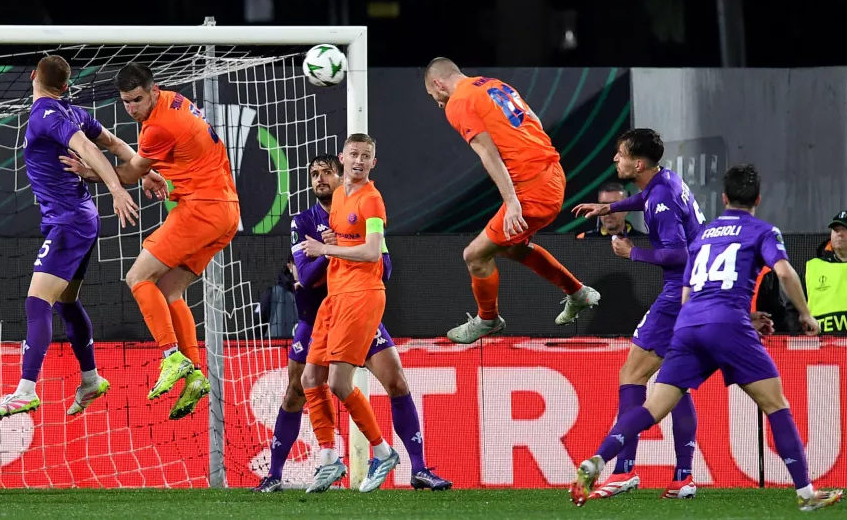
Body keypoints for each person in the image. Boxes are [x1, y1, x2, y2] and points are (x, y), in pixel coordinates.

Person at [570, 164, 843, 512]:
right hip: (729, 325)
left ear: (724, 198)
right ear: (757, 198)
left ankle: (598, 459)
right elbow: (785, 271)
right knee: (775, 405)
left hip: (687, 325)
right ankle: (806, 494)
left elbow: (689, 292)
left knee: (653, 407)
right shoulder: (763, 231)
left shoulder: (704, 234)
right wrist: (805, 314)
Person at [253, 153, 451, 493]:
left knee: (396, 382)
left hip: (356, 309)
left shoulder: (361, 213)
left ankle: (418, 468)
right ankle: (277, 473)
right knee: (297, 390)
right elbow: (306, 274)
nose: (319, 180)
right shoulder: (303, 221)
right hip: (316, 316)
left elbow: (384, 266)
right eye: (313, 174)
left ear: (340, 173)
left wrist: (336, 247)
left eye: (326, 173)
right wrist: (330, 252)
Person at [0, 55, 163, 419]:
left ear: (34, 76)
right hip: (78, 218)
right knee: (66, 302)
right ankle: (91, 379)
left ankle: (25, 390)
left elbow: (89, 148)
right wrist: (144, 173)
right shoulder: (74, 111)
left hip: (68, 221)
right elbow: (115, 143)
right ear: (66, 86)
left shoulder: (45, 116)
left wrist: (117, 188)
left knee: (38, 303)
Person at [62, 62, 240, 420]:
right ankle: (193, 377)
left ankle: (171, 356)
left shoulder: (157, 125)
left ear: (154, 90)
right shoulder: (174, 101)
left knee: (138, 277)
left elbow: (128, 172)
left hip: (201, 208)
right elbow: (164, 157)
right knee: (169, 292)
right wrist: (154, 172)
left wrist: (89, 172)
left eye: (137, 100)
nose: (131, 108)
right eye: (125, 102)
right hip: (227, 212)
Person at [423, 58, 600, 344]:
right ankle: (578, 293)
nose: (439, 104)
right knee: (511, 248)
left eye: (435, 98)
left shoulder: (458, 102)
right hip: (551, 174)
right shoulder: (492, 85)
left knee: (475, 256)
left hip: (532, 190)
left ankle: (488, 319)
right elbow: (534, 121)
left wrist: (513, 201)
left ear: (438, 84)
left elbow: (487, 152)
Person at [571, 129, 702, 498]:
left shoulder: (661, 200)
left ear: (638, 163)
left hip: (679, 292)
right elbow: (644, 196)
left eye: (621, 154)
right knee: (673, 381)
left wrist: (634, 254)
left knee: (631, 375)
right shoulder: (666, 179)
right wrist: (609, 208)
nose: (616, 159)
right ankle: (683, 477)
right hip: (697, 291)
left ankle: (625, 469)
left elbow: (679, 254)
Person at [296, 134, 400, 494]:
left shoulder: (372, 201)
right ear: (343, 158)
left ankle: (383, 452)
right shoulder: (339, 195)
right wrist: (334, 242)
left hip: (361, 295)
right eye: (353, 154)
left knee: (339, 384)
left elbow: (372, 252)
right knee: (310, 379)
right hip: (336, 295)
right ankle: (329, 458)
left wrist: (325, 247)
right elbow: (345, 240)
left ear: (374, 162)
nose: (359, 160)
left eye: (366, 156)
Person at [576, 182, 643, 239]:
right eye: (603, 205)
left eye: (615, 205)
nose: (608, 211)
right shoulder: (583, 239)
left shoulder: (645, 241)